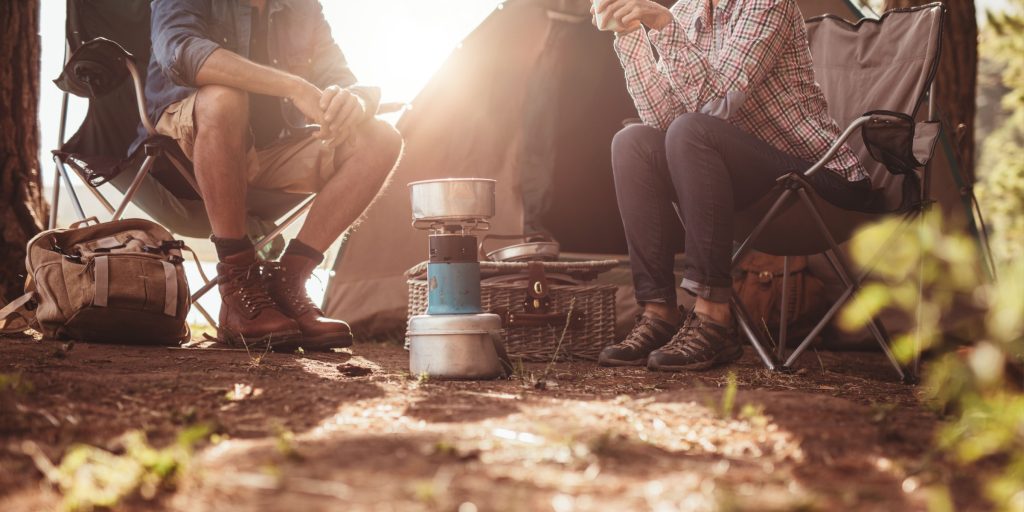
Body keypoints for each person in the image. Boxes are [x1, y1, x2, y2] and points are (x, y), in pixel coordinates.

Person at [594, 0, 871, 371]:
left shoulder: (766, 4)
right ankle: (659, 313)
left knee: (692, 129)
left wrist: (663, 26)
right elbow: (661, 119)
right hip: (748, 183)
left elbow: (715, 104)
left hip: (816, 180)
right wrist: (630, 36)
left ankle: (713, 320)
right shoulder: (687, 10)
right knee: (633, 143)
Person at [137, 0, 403, 351]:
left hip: (274, 148)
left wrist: (352, 101)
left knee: (380, 139)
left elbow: (336, 74)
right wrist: (295, 87)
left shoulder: (303, 8)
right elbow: (183, 53)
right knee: (224, 98)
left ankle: (289, 282)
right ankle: (237, 286)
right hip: (182, 146)